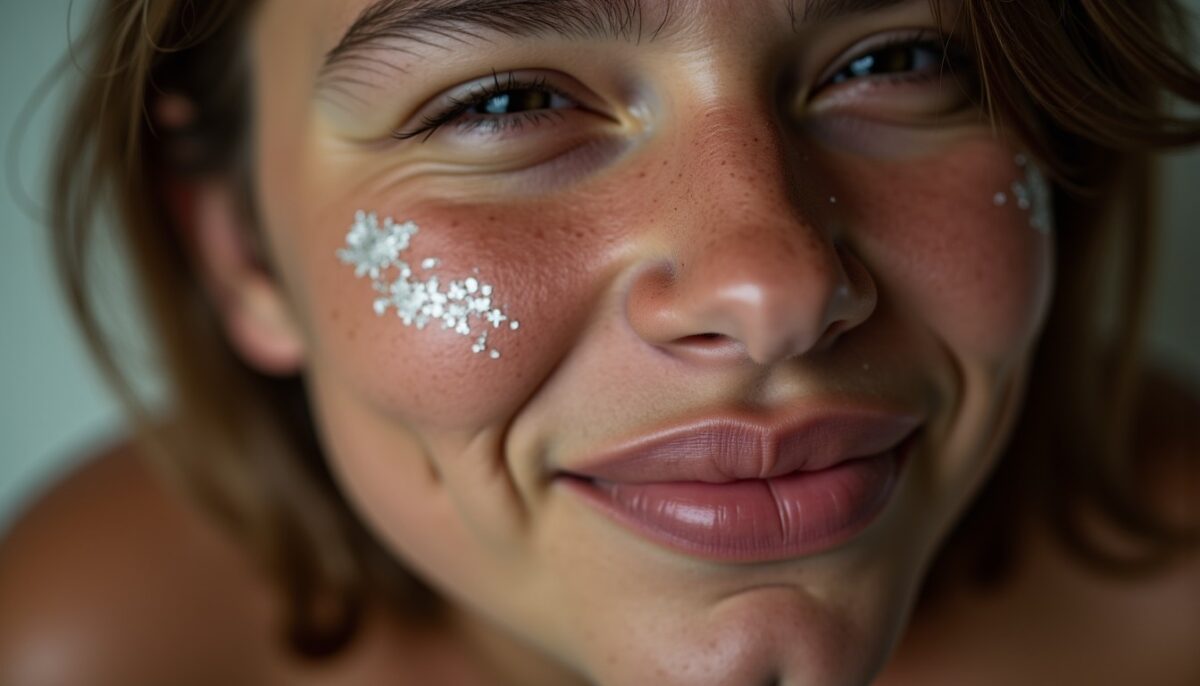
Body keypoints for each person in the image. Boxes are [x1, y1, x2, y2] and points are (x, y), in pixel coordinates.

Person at [2, 0, 1198, 683]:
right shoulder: (101, 653)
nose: (774, 287)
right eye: (505, 103)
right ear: (238, 247)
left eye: (897, 60)